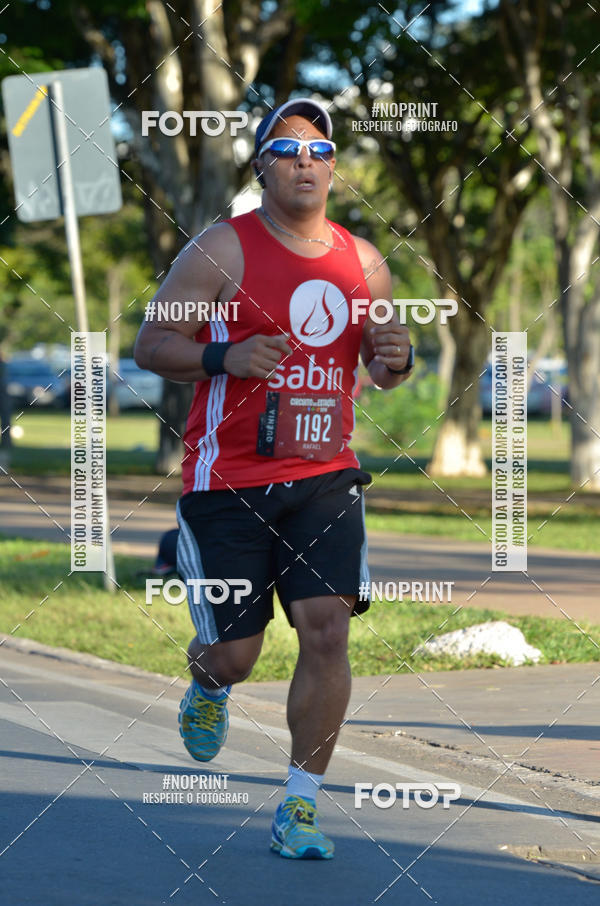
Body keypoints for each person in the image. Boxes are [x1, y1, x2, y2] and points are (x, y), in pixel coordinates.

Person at [134, 97, 413, 860]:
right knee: (236, 654)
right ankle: (210, 683)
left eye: (320, 151)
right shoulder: (222, 249)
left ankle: (300, 808)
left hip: (324, 476)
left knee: (327, 629)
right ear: (261, 165)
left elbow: (382, 370)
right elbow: (151, 344)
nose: (305, 162)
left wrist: (398, 356)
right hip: (227, 481)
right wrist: (227, 356)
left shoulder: (364, 262)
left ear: (334, 170)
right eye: (288, 148)